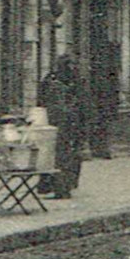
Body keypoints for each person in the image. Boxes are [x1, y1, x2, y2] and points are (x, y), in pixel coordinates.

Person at [38, 54, 87, 199]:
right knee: (65, 156)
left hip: (58, 122)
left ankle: (58, 187)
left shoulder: (51, 79)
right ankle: (62, 187)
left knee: (57, 156)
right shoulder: (71, 80)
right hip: (68, 123)